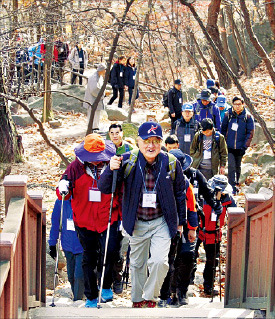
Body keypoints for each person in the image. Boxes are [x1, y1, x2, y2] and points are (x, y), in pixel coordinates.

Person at [98, 122, 191, 308]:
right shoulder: (127, 160)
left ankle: (150, 297)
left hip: (162, 221)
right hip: (137, 220)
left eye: (156, 141)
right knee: (137, 264)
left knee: (159, 262)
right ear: (139, 142)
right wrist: (110, 169)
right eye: (146, 141)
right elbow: (105, 187)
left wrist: (181, 222)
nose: (151, 146)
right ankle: (138, 300)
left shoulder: (170, 163)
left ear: (161, 143)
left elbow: (181, 193)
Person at [57, 134, 120, 308]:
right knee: (89, 258)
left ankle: (106, 286)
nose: (95, 162)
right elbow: (64, 192)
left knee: (110, 251)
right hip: (84, 219)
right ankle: (91, 296)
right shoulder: (74, 168)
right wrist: (62, 187)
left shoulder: (112, 165)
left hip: (108, 217)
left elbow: (121, 189)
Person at [159, 149, 197, 307]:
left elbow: (192, 207)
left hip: (185, 225)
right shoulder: (160, 179)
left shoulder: (187, 184)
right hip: (164, 225)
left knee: (187, 256)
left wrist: (193, 228)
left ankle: (182, 291)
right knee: (167, 260)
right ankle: (166, 293)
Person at [197, 175, 236, 295]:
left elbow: (235, 213)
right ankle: (186, 285)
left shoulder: (228, 198)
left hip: (215, 232)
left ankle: (208, 286)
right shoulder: (203, 195)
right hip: (199, 229)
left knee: (212, 260)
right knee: (190, 257)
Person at [48, 199, 84, 301]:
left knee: (79, 275)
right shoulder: (61, 201)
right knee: (71, 275)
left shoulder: (83, 196)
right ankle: (77, 296)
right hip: (67, 244)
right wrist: (52, 243)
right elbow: (55, 222)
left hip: (83, 244)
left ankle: (78, 299)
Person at [221, 96, 255, 195]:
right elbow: (223, 129)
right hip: (230, 146)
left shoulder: (247, 117)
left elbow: (250, 132)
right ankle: (231, 186)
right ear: (232, 105)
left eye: (239, 104)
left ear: (243, 104)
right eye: (235, 104)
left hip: (240, 146)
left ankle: (236, 182)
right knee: (231, 165)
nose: (237, 106)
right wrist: (224, 143)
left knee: (238, 165)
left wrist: (245, 146)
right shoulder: (228, 115)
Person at [83, 63, 107, 131]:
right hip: (92, 99)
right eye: (104, 70)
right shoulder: (94, 77)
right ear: (101, 70)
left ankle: (95, 127)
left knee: (97, 114)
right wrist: (102, 94)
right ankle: (92, 127)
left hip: (96, 99)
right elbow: (94, 90)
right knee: (92, 114)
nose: (105, 71)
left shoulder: (100, 76)